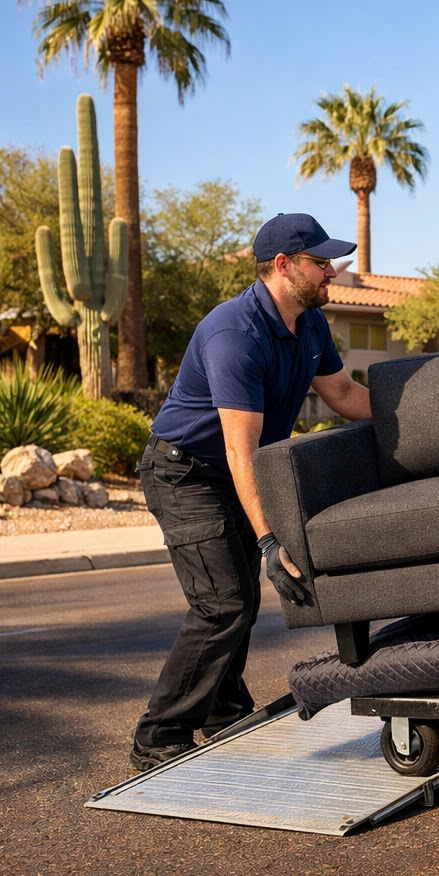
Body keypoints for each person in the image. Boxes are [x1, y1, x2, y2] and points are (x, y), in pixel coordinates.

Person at [130, 213, 371, 771]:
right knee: (223, 603)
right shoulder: (234, 334)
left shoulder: (309, 324)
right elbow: (242, 449)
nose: (332, 271)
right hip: (185, 474)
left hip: (229, 470)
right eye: (321, 262)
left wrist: (423, 415)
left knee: (239, 598)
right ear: (284, 267)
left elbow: (343, 394)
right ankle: (160, 731)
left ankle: (224, 712)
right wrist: (268, 541)